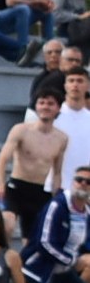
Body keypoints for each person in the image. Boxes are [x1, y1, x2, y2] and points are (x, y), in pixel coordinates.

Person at [0, 92, 66, 243]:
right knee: (7, 224)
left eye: (50, 104)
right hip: (17, 187)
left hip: (40, 191)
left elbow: (57, 172)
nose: (45, 107)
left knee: (31, 241)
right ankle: (3, 255)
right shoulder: (21, 130)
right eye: (42, 103)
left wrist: (56, 195)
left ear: (58, 108)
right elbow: (2, 159)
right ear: (36, 106)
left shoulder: (61, 138)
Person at [53, 65, 90, 196]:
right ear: (65, 85)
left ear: (88, 86)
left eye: (80, 81)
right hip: (54, 186)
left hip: (84, 188)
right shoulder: (53, 117)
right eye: (71, 80)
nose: (75, 85)